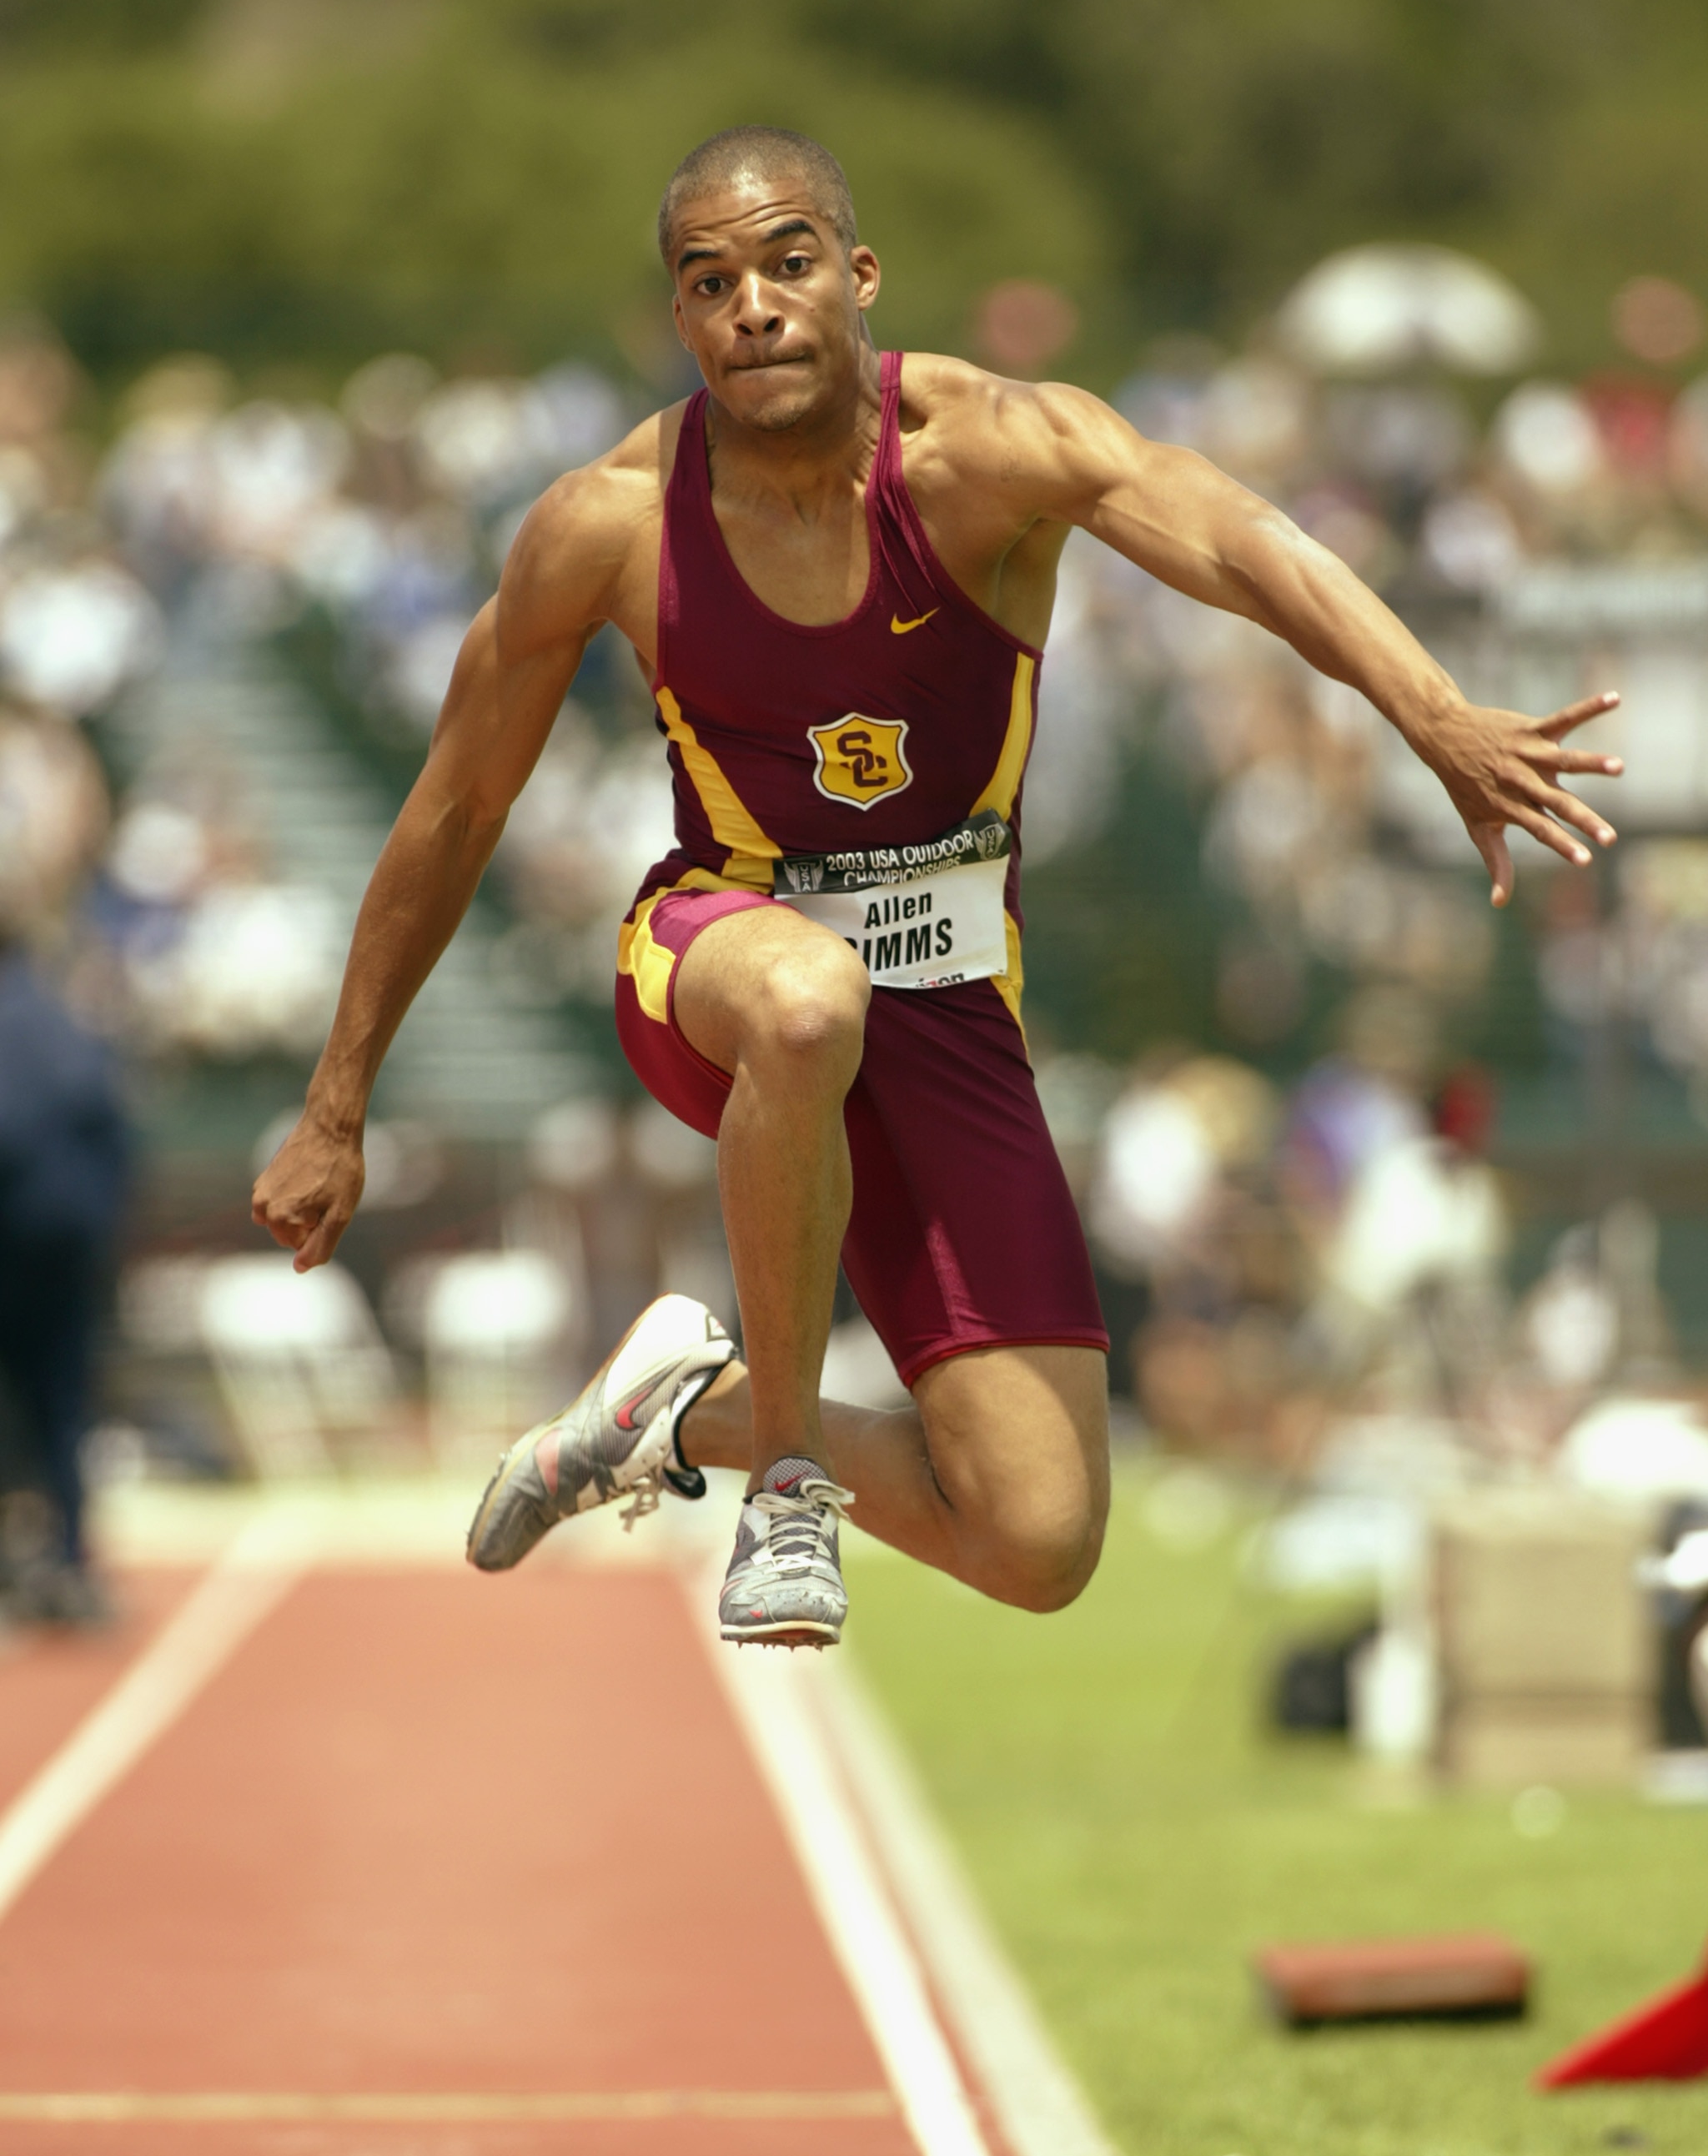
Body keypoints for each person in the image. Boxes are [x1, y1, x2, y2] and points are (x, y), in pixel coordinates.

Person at [252, 123, 1623, 1648]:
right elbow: (454, 806)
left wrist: (1427, 710)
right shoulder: (610, 521)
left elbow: (1236, 534)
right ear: (680, 317)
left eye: (784, 265)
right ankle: (783, 1484)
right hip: (714, 950)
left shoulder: (986, 450)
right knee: (801, 993)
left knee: (1035, 1535)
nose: (752, 307)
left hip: (949, 1004)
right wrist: (336, 1097)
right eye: (707, 283)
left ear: (858, 274)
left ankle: (685, 1411)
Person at [0, 940, 131, 1624]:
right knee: (63, 1407)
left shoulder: (24, 1021)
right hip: (70, 1244)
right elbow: (116, 1131)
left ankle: (33, 1566)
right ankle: (72, 1558)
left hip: (17, 1239)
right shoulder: (63, 1019)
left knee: (36, 1406)